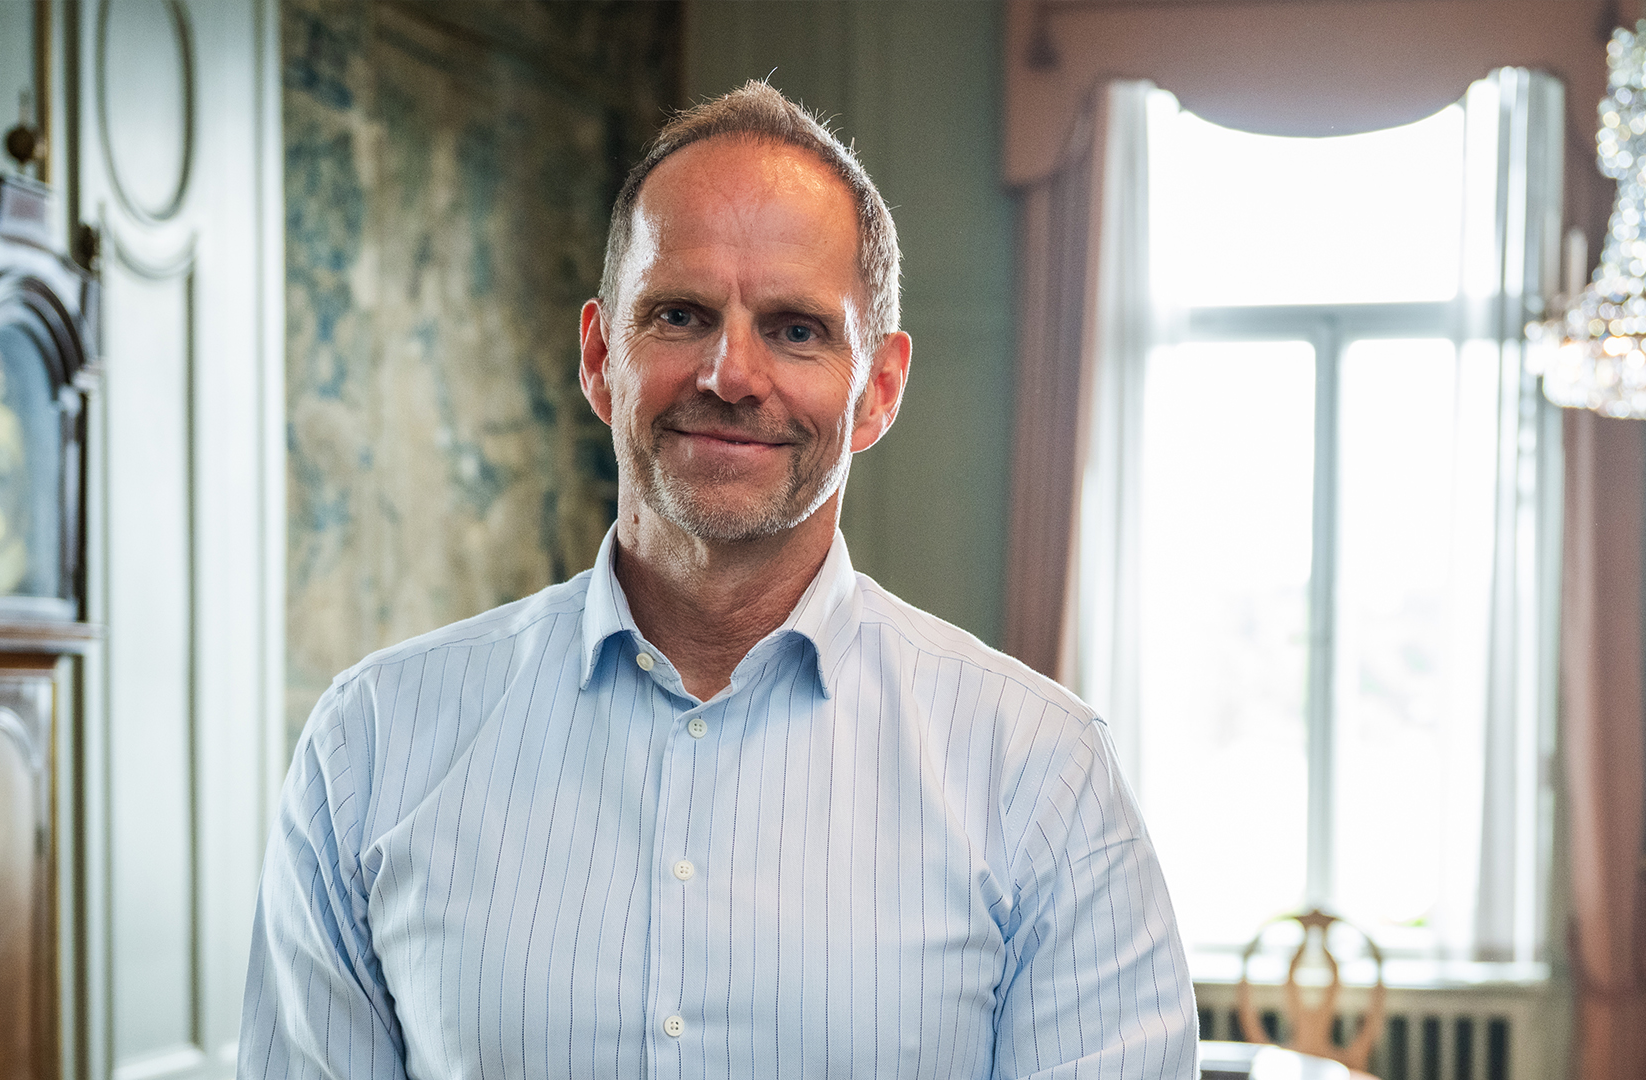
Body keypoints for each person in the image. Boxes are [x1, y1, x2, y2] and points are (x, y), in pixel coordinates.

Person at [240, 81, 1196, 1079]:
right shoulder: (373, 746)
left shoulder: (1042, 776)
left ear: (879, 389)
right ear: (600, 356)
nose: (732, 374)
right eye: (682, 315)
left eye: (795, 329)